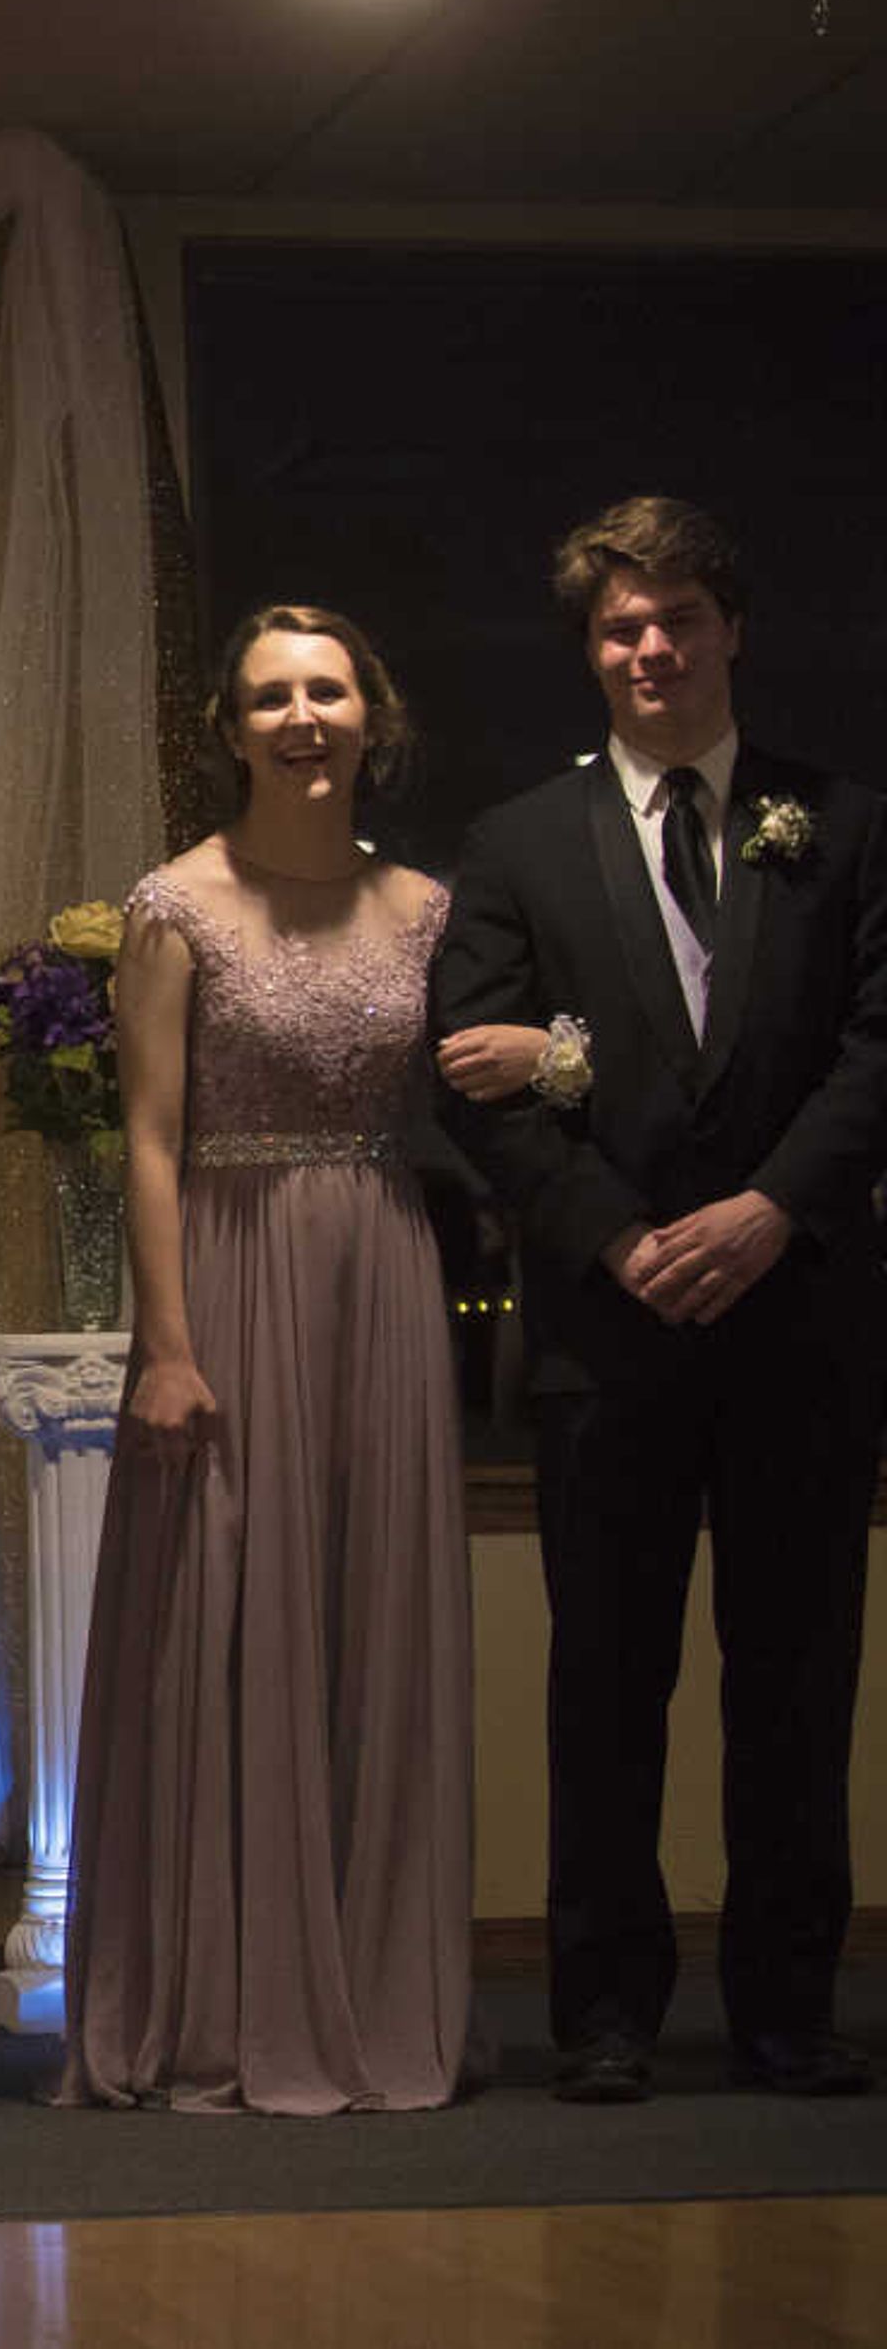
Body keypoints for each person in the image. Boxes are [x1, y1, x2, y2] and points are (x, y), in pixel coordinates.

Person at [432, 496, 887, 2105]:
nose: (651, 647)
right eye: (622, 626)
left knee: (796, 1678)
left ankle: (786, 2010)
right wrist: (624, 1242)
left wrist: (771, 1211)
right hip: (608, 1337)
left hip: (805, 1325)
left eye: (678, 618)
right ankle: (606, 2015)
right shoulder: (513, 848)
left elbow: (876, 1052)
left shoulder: (841, 823)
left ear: (732, 629)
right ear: (591, 650)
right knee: (608, 1684)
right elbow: (475, 1094)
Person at [56, 605, 475, 2114]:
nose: (303, 717)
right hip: (225, 1275)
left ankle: (367, 1991)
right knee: (222, 1626)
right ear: (230, 731)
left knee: (368, 1617)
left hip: (380, 1268)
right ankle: (216, 2004)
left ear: (372, 712)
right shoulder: (176, 904)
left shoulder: (427, 908)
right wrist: (163, 1346)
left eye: (328, 689)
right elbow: (149, 1138)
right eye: (270, 697)